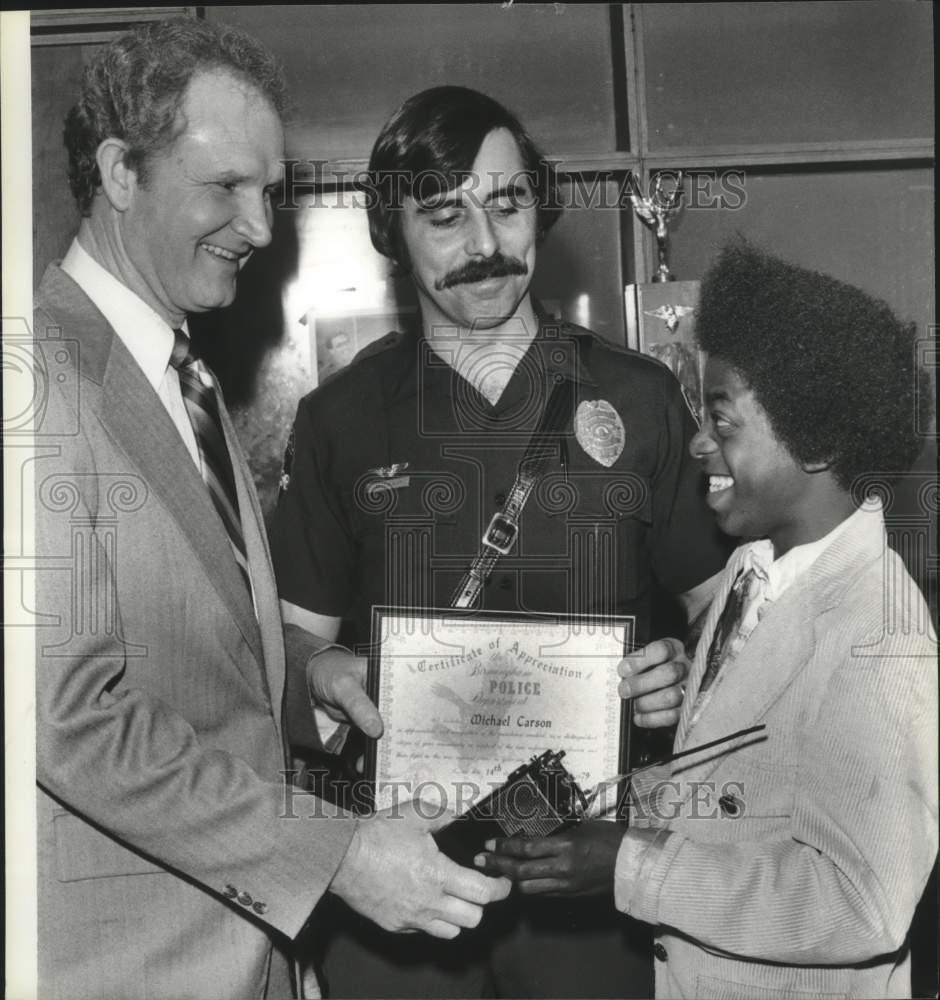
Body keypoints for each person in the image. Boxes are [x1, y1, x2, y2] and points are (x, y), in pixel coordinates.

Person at [33, 23, 509, 1000]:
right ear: (121, 172)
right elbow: (67, 718)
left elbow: (195, 659)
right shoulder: (35, 379)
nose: (259, 226)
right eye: (226, 188)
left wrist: (311, 676)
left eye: (270, 191)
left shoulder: (181, 371)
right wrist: (333, 853)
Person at [270, 85, 730, 997]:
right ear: (392, 235)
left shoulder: (636, 398)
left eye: (507, 203)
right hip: (397, 879)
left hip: (594, 880)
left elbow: (728, 611)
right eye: (443, 215)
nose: (483, 244)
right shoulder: (340, 421)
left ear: (540, 210)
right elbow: (283, 644)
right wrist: (320, 675)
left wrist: (683, 677)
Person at [479, 241, 939, 999]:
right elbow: (744, 793)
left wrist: (630, 864)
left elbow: (863, 905)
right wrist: (599, 814)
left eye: (722, 422)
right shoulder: (749, 570)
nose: (697, 443)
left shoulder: (878, 639)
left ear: (819, 441)